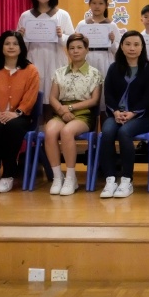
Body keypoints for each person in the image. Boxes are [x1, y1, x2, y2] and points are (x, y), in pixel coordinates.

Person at [0, 31, 39, 193]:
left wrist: (16, 113)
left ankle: (9, 174)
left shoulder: (31, 70)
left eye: (15, 44)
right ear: (1, 47)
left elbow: (30, 97)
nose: (11, 47)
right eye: (7, 44)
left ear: (21, 47)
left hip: (19, 116)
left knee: (13, 127)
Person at [99, 31, 149, 198]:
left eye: (136, 44)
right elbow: (108, 93)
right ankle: (110, 179)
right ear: (122, 47)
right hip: (116, 114)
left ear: (142, 47)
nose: (132, 48)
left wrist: (132, 113)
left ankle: (126, 180)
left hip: (141, 116)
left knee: (124, 132)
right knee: (107, 132)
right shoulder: (114, 67)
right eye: (128, 44)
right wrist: (116, 112)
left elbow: (148, 97)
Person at [44, 33, 103, 195]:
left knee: (67, 131)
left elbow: (94, 100)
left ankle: (71, 178)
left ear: (86, 50)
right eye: (71, 48)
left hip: (84, 114)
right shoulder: (59, 72)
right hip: (61, 112)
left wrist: (70, 108)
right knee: (49, 131)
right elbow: (52, 98)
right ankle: (58, 176)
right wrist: (62, 111)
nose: (75, 51)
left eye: (79, 47)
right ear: (67, 51)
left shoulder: (95, 73)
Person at [17, 0, 74, 111]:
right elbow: (19, 45)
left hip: (55, 57)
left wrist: (61, 36)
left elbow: (72, 41)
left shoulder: (62, 15)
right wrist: (21, 37)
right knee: (35, 91)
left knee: (55, 91)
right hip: (33, 57)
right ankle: (36, 121)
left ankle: (54, 119)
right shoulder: (26, 16)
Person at [75, 0, 120, 112]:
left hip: (105, 60)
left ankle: (105, 122)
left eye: (100, 3)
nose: (97, 6)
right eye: (94, 3)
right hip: (87, 60)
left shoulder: (112, 25)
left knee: (105, 93)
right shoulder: (82, 24)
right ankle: (89, 121)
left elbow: (118, 50)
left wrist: (112, 41)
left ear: (106, 5)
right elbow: (74, 44)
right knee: (87, 92)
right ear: (89, 4)